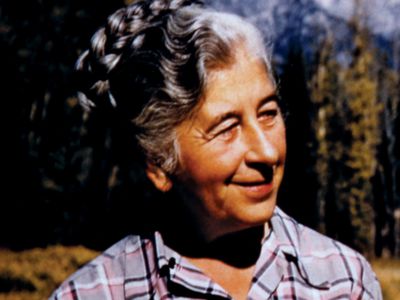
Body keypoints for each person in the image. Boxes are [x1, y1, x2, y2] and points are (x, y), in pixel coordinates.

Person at [50, 0, 382, 299]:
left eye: (268, 113)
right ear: (158, 165)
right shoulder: (95, 294)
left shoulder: (343, 282)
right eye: (227, 128)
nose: (267, 153)